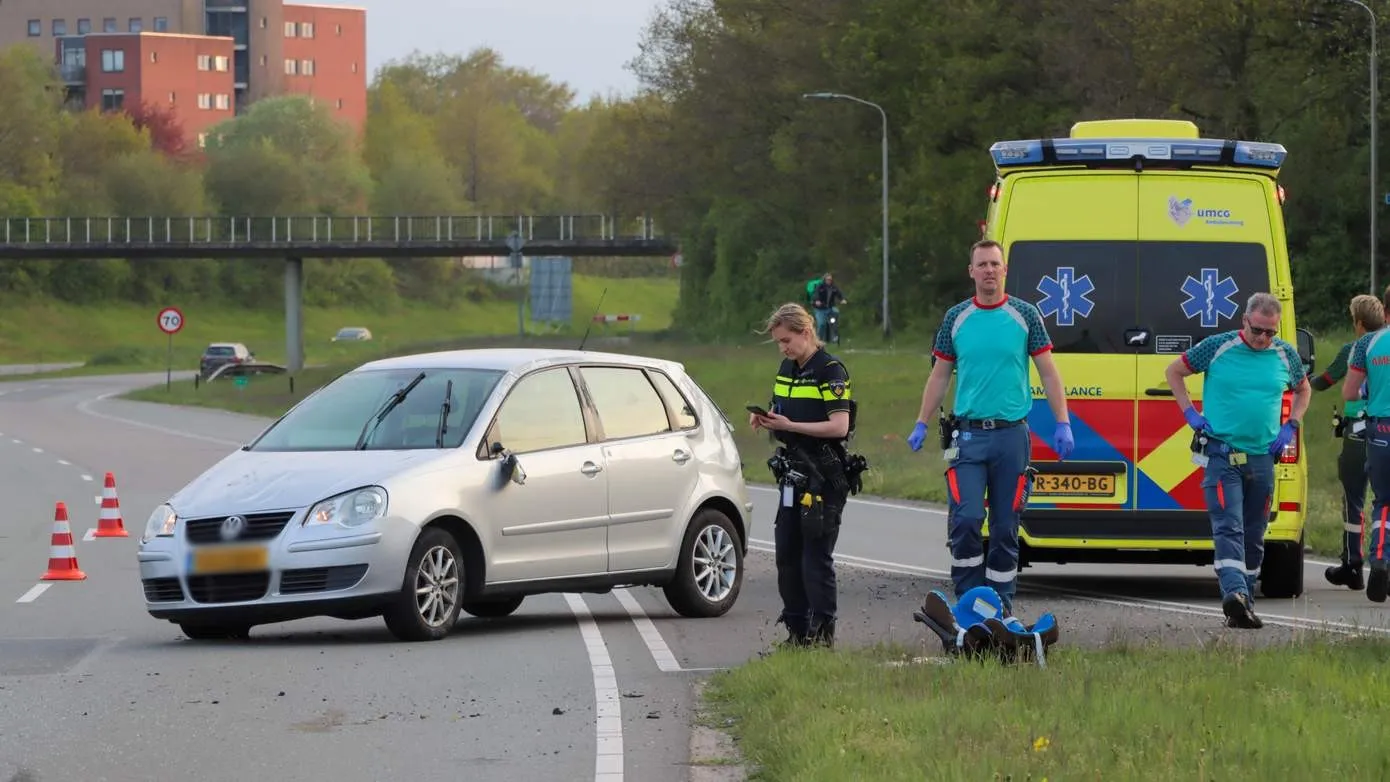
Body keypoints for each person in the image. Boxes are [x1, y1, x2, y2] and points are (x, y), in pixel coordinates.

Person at [905, 238, 1074, 615]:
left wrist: (1063, 422)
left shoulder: (1025, 315)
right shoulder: (956, 318)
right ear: (971, 272)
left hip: (1012, 436)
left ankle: (1000, 606)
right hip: (968, 436)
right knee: (966, 520)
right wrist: (921, 421)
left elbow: (1048, 371)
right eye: (982, 265)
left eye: (995, 264)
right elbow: (939, 375)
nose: (989, 271)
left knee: (1004, 527)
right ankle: (967, 600)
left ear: (1004, 270)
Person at [1164, 292, 1310, 628]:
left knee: (1255, 533)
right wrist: (1190, 413)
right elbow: (1174, 372)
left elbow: (1304, 390)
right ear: (1244, 321)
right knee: (1228, 525)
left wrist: (1292, 425)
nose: (1262, 338)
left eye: (1270, 332)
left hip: (1262, 459)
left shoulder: (1284, 353)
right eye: (1257, 330)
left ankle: (1244, 603)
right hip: (1222, 456)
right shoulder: (1218, 347)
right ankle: (1234, 594)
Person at [750, 302, 863, 648]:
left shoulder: (830, 370)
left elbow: (839, 426)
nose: (783, 348)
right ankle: (797, 630)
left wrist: (791, 425)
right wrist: (767, 418)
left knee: (816, 556)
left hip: (823, 475)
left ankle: (822, 631)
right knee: (786, 553)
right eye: (779, 343)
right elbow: (782, 407)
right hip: (792, 474)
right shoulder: (787, 368)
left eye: (786, 340)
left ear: (806, 332)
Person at [1314, 294, 1385, 591]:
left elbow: (1327, 381)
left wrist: (1297, 382)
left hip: (1358, 431)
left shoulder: (1354, 348)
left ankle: (1352, 564)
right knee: (1384, 500)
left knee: (1354, 499)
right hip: (1384, 428)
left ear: (1357, 322)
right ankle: (1383, 561)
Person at [1342, 291, 1390, 603]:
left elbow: (1349, 392)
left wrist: (1372, 392)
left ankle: (1380, 560)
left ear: (1385, 310)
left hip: (1381, 428)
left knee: (1384, 501)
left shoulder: (1366, 344)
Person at [810, 273, 847, 343]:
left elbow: (839, 293)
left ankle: (835, 336)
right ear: (824, 280)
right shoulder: (820, 287)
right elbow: (816, 294)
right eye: (827, 280)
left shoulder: (833, 287)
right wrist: (817, 300)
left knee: (835, 317)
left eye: (830, 280)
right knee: (821, 324)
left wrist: (842, 299)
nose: (829, 281)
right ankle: (818, 340)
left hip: (829, 308)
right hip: (820, 309)